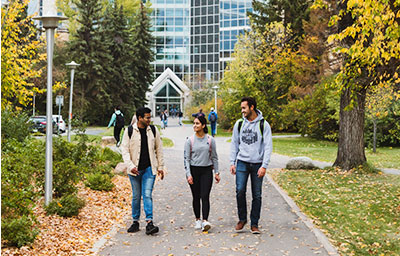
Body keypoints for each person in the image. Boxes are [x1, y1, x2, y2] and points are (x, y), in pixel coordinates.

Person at [230, 97, 272, 234]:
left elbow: (268, 146)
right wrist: (232, 162)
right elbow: (234, 143)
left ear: (252, 107)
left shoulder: (264, 125)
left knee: (257, 195)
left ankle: (254, 224)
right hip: (242, 162)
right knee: (240, 190)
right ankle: (242, 219)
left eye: (244, 108)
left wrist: (264, 166)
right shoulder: (239, 124)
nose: (242, 111)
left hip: (257, 164)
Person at [120, 107, 165, 235]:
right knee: (136, 196)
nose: (150, 119)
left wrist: (160, 167)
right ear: (140, 118)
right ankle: (135, 222)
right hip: (134, 171)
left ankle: (149, 223)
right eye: (147, 117)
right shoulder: (129, 131)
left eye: (150, 117)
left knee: (147, 195)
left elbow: (159, 149)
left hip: (149, 169)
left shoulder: (154, 131)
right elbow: (125, 150)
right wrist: (130, 166)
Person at [184, 116, 220, 232]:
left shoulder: (210, 140)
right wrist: (188, 174)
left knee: (205, 196)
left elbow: (214, 157)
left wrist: (217, 172)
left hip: (206, 171)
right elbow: (187, 159)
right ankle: (197, 219)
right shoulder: (190, 140)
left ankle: (205, 221)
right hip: (194, 171)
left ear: (203, 125)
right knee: (196, 196)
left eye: (197, 124)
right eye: (194, 123)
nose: (195, 126)